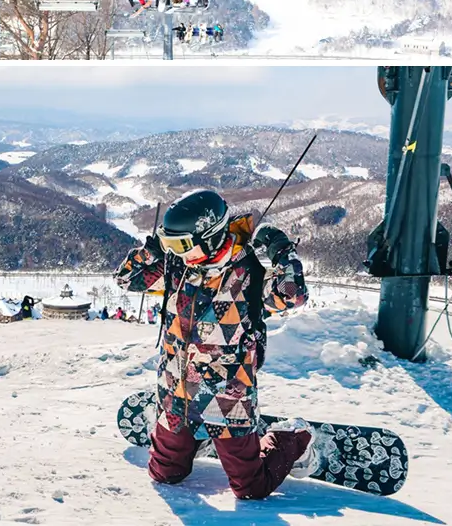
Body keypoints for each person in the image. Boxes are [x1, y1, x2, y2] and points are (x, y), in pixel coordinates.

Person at [115, 189, 312, 500]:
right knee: (164, 475)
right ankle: (202, 438)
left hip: (226, 395)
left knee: (250, 488)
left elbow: (292, 294)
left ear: (209, 237)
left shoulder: (247, 271)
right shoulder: (177, 265)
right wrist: (153, 250)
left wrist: (281, 250)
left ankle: (294, 437)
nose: (176, 252)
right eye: (170, 244)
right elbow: (127, 279)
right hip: (175, 389)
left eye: (180, 245)